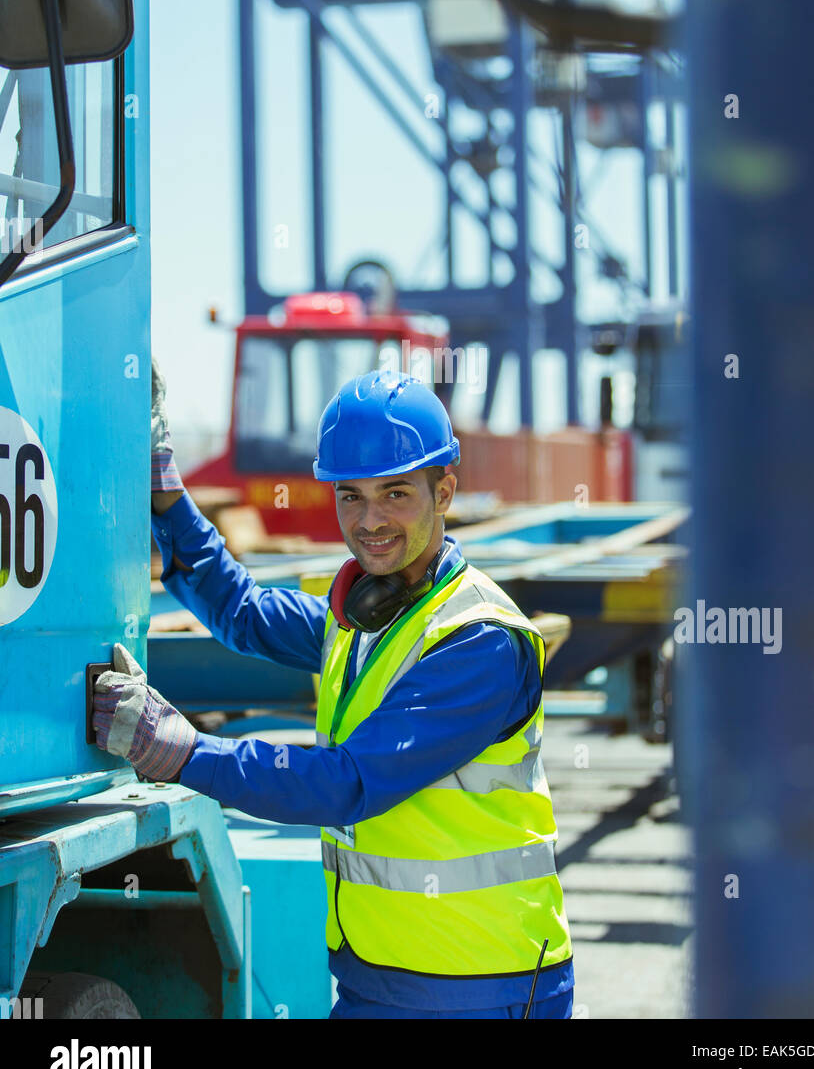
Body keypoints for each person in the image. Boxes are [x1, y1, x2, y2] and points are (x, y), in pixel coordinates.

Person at [93, 361, 575, 1019]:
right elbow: (243, 611)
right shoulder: (365, 620)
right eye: (352, 496)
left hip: (484, 984)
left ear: (446, 491)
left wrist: (183, 752)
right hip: (372, 978)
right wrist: (167, 494)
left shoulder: (479, 641)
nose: (370, 520)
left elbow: (346, 783)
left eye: (396, 494)